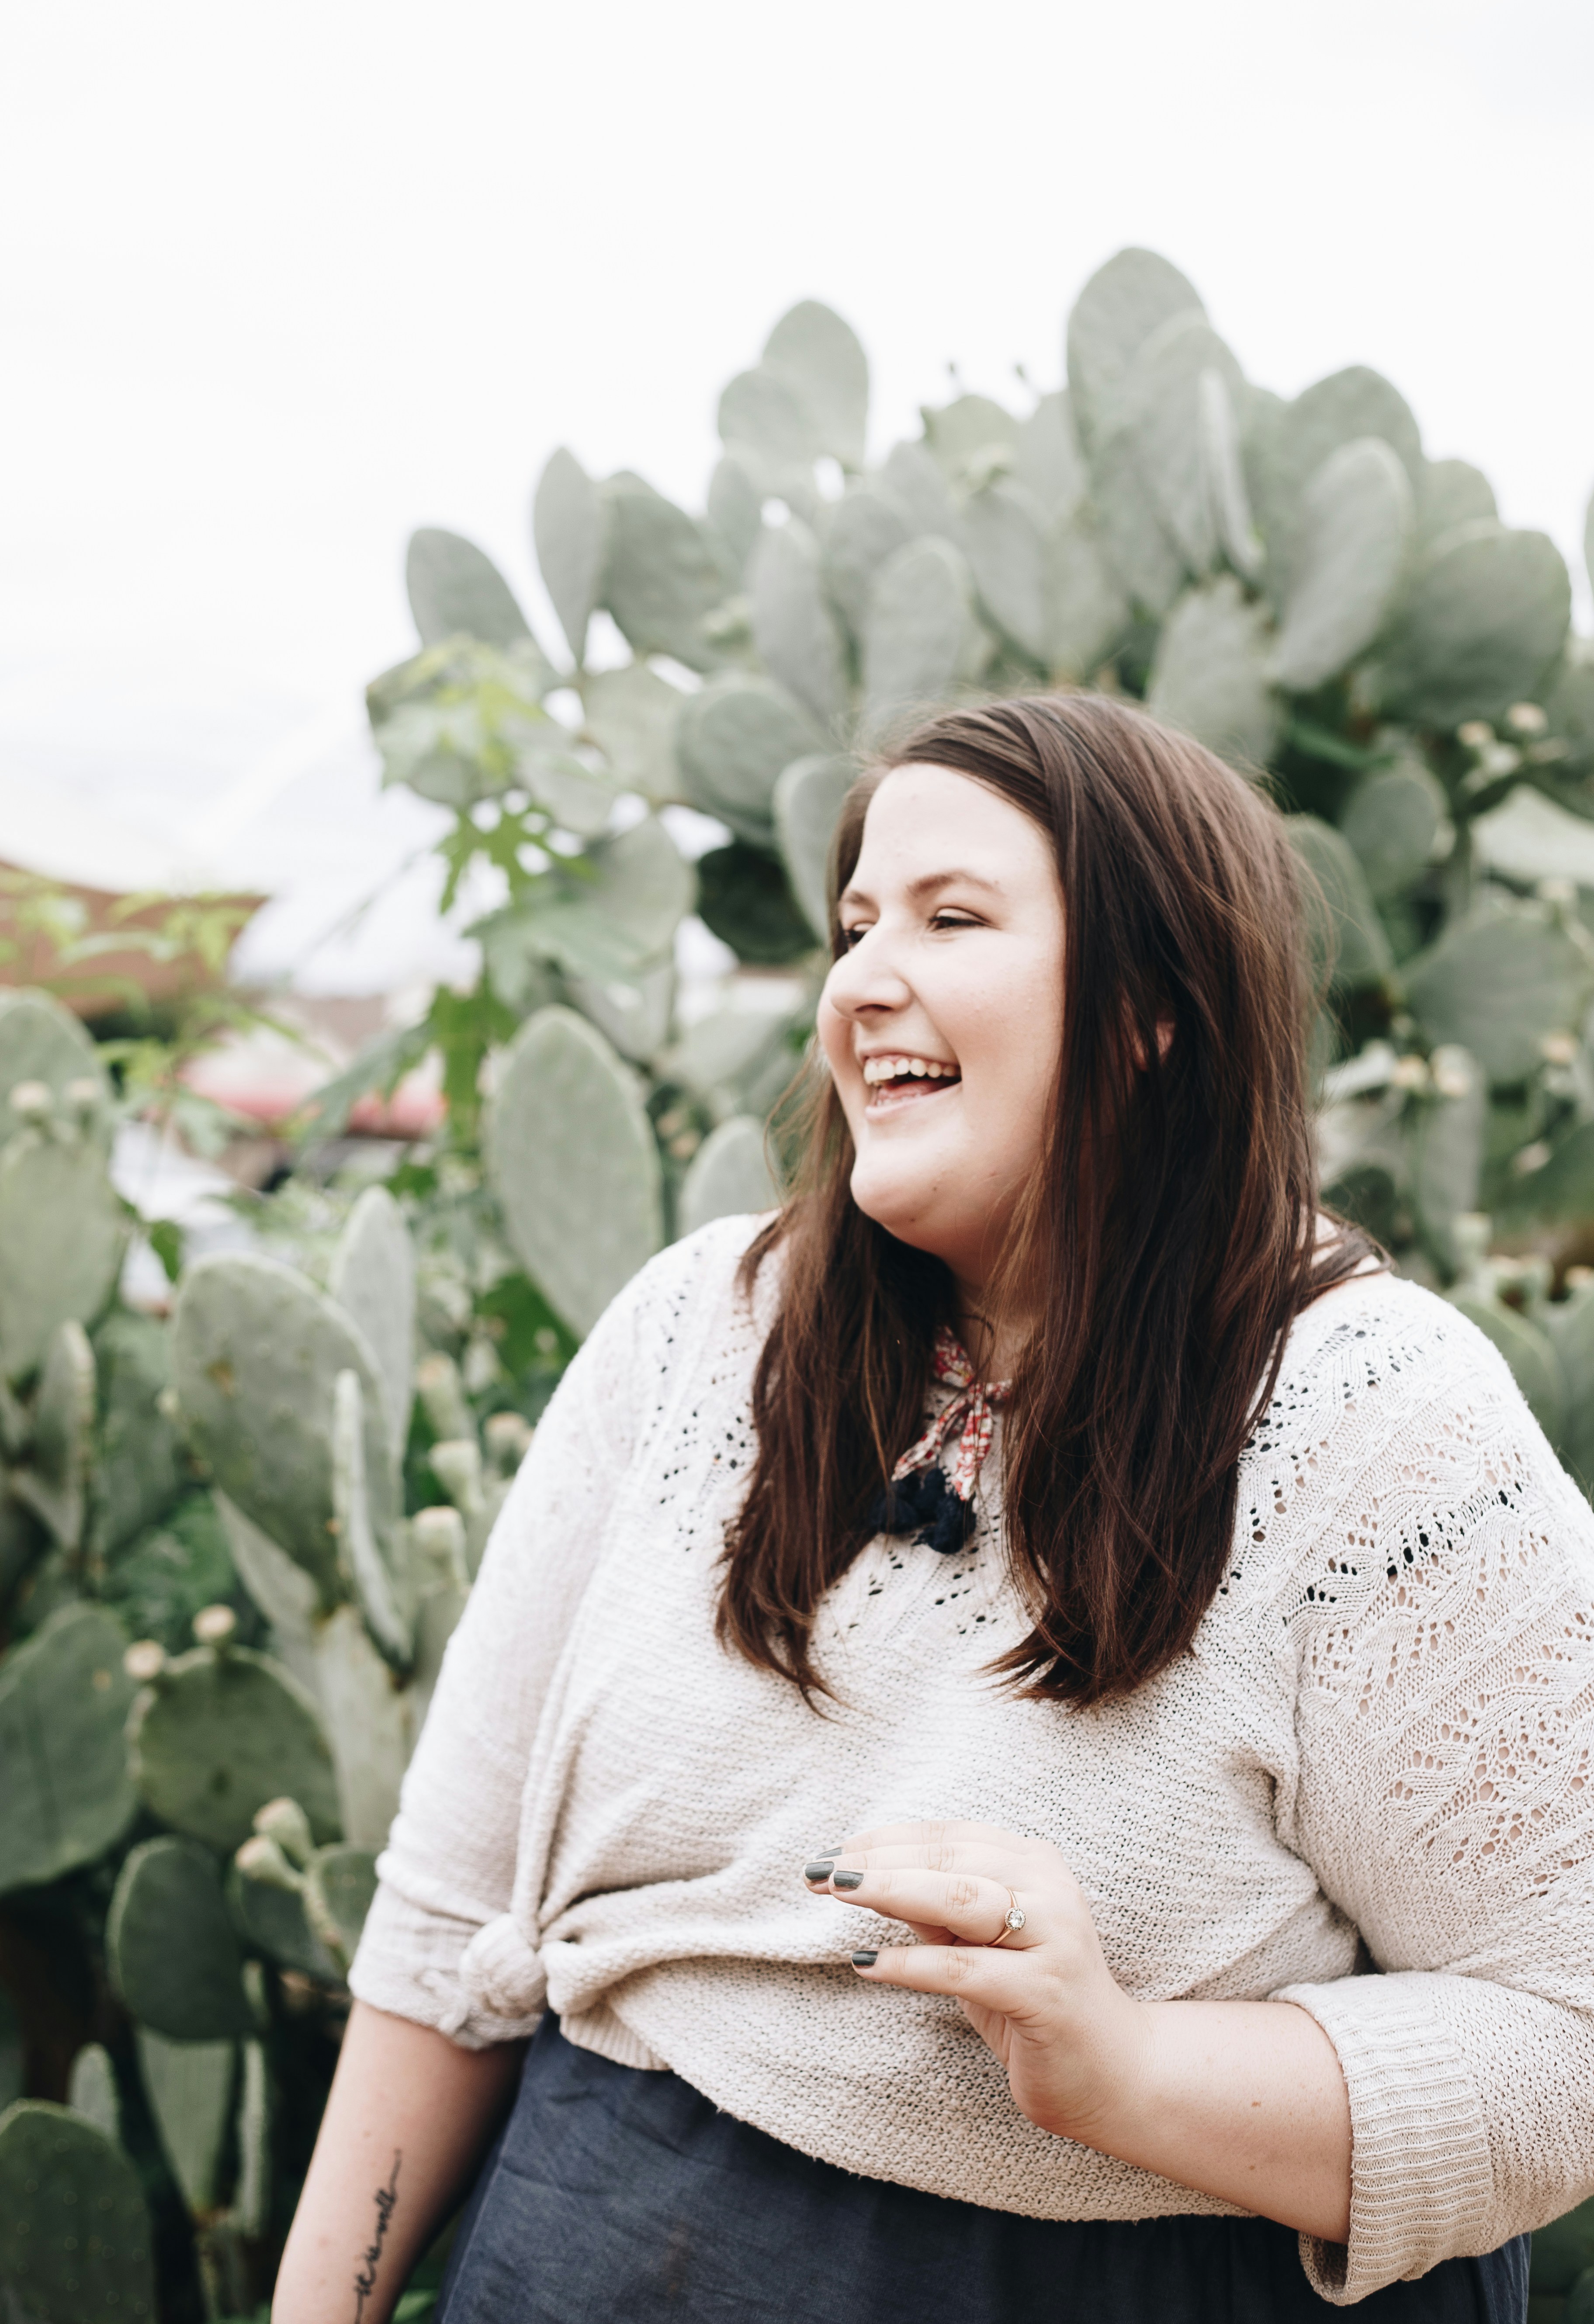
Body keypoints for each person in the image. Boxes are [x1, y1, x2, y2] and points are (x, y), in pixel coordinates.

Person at [274, 694, 1594, 2324]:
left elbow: (1569, 2041)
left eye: (951, 917)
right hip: (594, 2245)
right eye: (852, 926)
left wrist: (1122, 2068)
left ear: (1152, 1009)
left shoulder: (1376, 1418)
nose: (859, 983)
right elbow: (449, 1924)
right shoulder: (697, 1337)